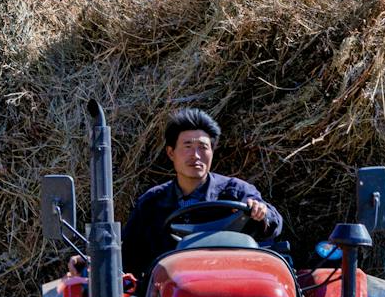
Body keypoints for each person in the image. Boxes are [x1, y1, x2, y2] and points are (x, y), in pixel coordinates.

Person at [121, 108, 284, 280]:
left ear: (212, 151)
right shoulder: (152, 202)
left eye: (203, 147)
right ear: (171, 152)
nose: (196, 155)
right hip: (170, 289)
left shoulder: (236, 192)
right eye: (188, 146)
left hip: (231, 281)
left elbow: (274, 223)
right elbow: (129, 254)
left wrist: (263, 213)